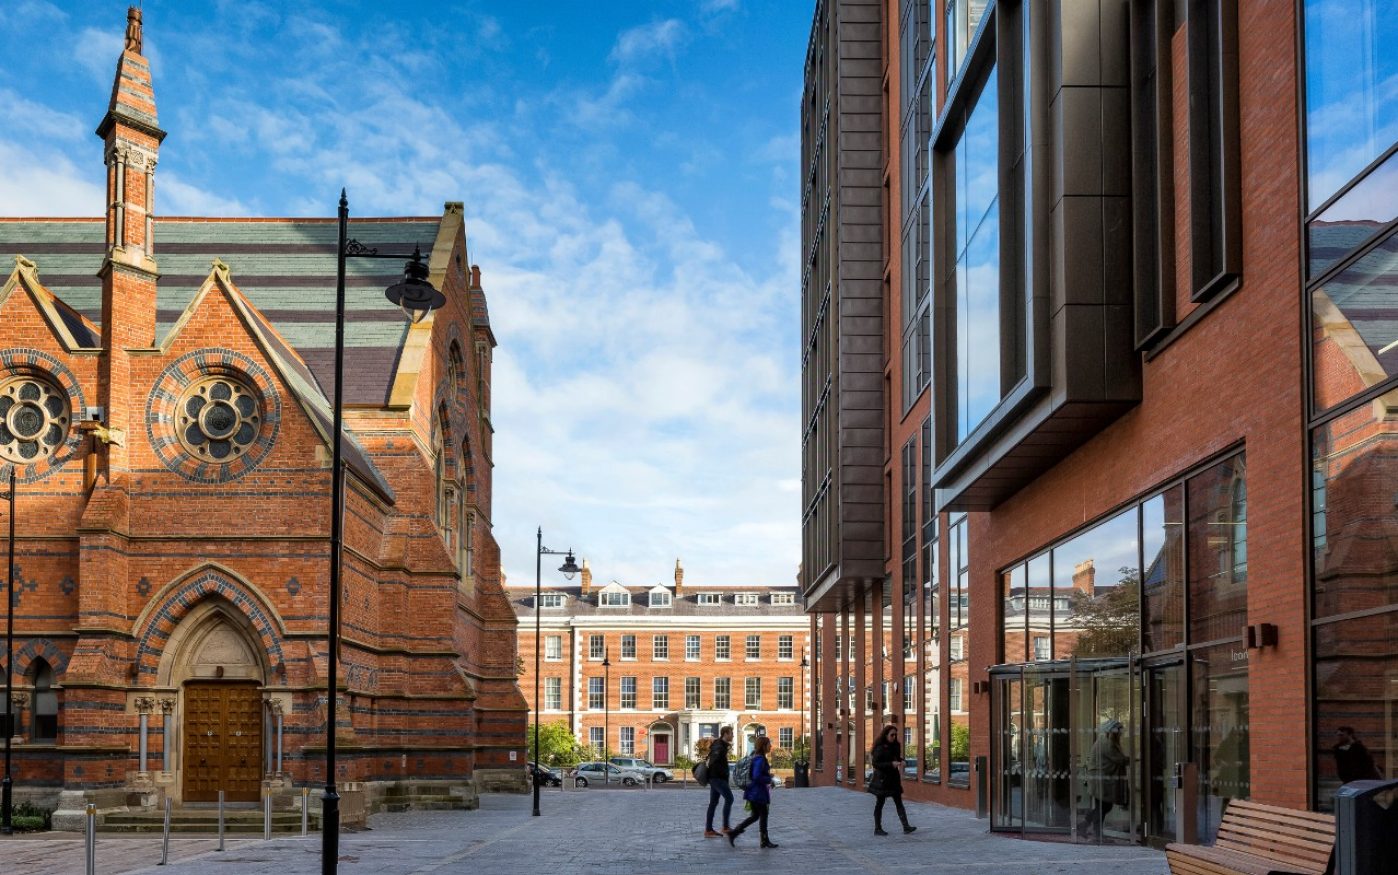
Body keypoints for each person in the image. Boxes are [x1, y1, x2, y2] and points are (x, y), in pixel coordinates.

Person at [728, 734, 778, 849]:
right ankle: (764, 840)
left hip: (754, 792)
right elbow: (756, 776)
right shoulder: (760, 759)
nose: (771, 746)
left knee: (756, 816)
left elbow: (757, 774)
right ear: (763, 746)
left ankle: (735, 832)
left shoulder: (757, 757)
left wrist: (767, 775)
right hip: (757, 793)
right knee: (763, 815)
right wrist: (769, 779)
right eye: (769, 744)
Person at [1081, 719, 1128, 839]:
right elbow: (1119, 759)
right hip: (1101, 781)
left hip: (1102, 780)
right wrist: (1136, 758)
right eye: (1118, 731)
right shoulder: (1107, 743)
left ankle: (1086, 826)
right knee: (1103, 807)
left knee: (1102, 806)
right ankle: (1095, 832)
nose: (1120, 734)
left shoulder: (1105, 741)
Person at [869, 724, 916, 835]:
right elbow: (876, 763)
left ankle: (906, 826)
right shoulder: (879, 747)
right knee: (880, 803)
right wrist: (891, 764)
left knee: (898, 802)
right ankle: (877, 828)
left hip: (893, 779)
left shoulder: (896, 745)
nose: (894, 737)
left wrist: (903, 761)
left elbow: (897, 758)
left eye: (895, 735)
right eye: (892, 735)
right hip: (882, 779)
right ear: (886, 735)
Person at [704, 726, 735, 838]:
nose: (733, 735)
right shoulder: (719, 746)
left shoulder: (720, 745)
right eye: (731, 733)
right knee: (730, 798)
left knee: (713, 803)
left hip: (715, 778)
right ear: (725, 734)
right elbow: (714, 762)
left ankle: (708, 830)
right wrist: (723, 773)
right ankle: (725, 827)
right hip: (717, 778)